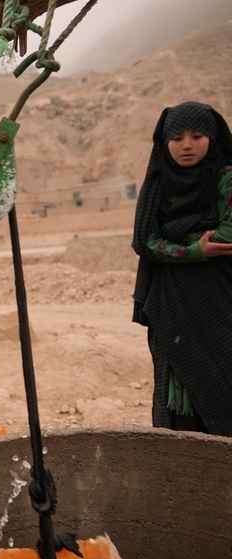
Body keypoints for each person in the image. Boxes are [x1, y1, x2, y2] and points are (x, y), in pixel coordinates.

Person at [132, 101, 232, 437]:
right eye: (176, 138)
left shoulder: (226, 177)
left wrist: (172, 247)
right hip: (170, 300)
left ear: (213, 138)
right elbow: (145, 241)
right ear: (164, 143)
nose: (186, 145)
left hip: (220, 296)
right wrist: (195, 249)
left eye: (196, 135)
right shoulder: (158, 185)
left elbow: (230, 234)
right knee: (177, 381)